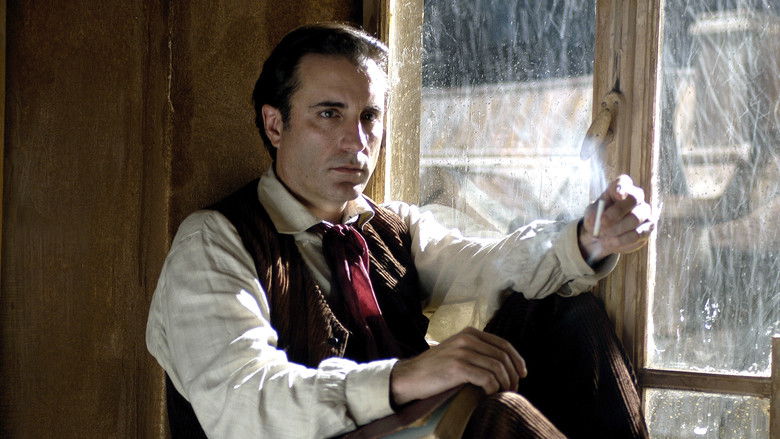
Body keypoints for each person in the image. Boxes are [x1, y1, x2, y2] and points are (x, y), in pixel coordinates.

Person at [146, 22, 655, 438]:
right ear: (276, 125)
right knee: (498, 418)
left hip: (413, 429)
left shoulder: (391, 227)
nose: (357, 142)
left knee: (563, 311)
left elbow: (489, 266)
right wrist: (404, 377)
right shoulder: (213, 243)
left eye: (369, 116)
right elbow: (244, 402)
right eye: (329, 114)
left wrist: (589, 239)